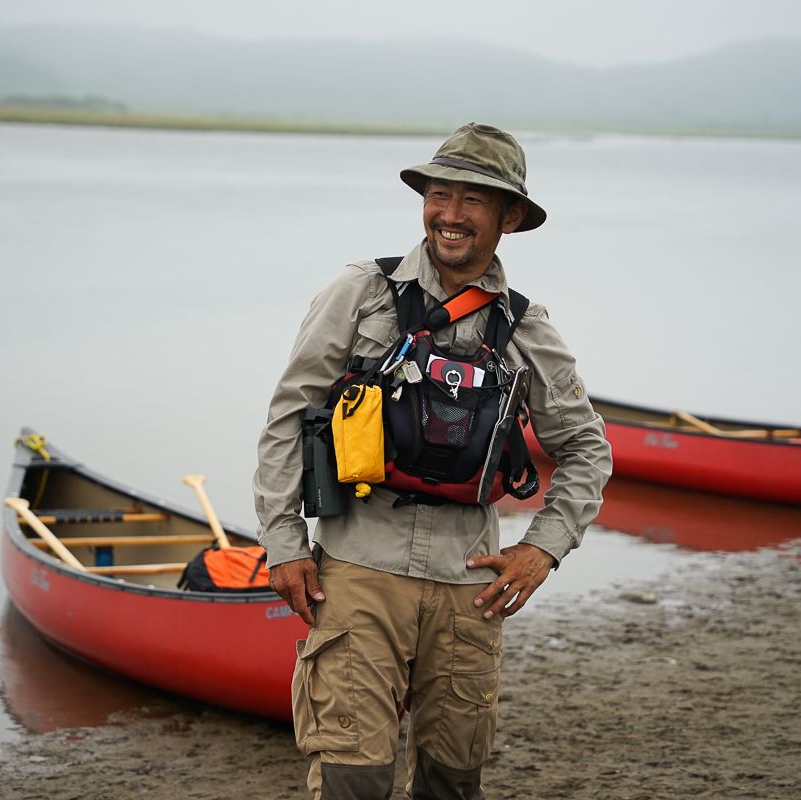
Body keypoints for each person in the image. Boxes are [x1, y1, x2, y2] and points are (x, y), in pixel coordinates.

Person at [253, 122, 612, 800]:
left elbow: (587, 448)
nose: (449, 214)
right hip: (357, 573)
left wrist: (542, 550)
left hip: (468, 584)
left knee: (451, 783)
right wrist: (283, 542)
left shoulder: (528, 327)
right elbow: (287, 414)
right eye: (438, 194)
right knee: (352, 781)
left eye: (473, 200)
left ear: (509, 216)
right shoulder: (360, 291)